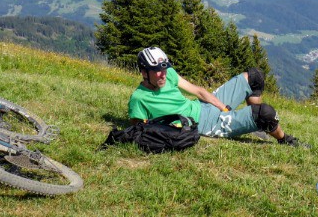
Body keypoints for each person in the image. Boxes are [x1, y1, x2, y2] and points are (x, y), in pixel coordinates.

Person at [128, 46, 308, 147]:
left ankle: (257, 128)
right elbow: (141, 131)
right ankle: (286, 140)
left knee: (254, 76)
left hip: (204, 107)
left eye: (164, 70)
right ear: (144, 72)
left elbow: (198, 91)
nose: (162, 75)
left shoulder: (169, 75)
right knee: (266, 113)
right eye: (157, 71)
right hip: (203, 125)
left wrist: (222, 107)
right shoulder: (139, 99)